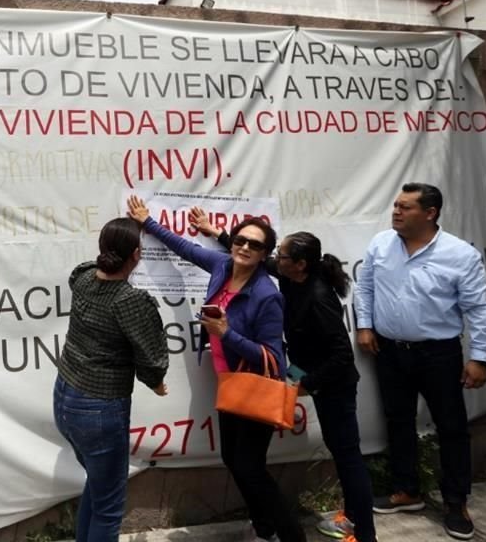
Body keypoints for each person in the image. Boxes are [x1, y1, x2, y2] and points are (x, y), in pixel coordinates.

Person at [127, 195, 307, 542]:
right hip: (229, 382)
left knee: (251, 468)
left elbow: (272, 356)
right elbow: (185, 249)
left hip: (255, 386)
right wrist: (147, 222)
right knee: (233, 459)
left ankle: (290, 535)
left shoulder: (267, 296)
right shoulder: (223, 266)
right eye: (240, 240)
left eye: (254, 245)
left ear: (263, 254)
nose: (244, 247)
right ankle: (263, 528)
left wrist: (227, 333)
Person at [190, 210, 376, 542]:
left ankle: (363, 530)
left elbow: (341, 356)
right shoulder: (290, 277)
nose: (276, 259)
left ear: (300, 264)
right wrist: (215, 232)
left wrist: (305, 382)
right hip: (305, 369)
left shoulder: (319, 299)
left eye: (282, 255)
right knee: (244, 459)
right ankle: (272, 527)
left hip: (334, 383)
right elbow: (255, 254)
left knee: (346, 453)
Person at [354, 183, 486, 541]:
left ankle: (455, 501)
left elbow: (478, 308)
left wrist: (480, 356)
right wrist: (366, 324)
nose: (396, 212)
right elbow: (365, 286)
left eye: (406, 207)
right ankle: (407, 490)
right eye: (396, 205)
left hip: (439, 354)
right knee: (398, 420)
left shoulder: (459, 254)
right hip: (389, 350)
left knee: (451, 427)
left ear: (430, 213)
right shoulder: (381, 244)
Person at [53, 216, 169, 542]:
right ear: (136, 254)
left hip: (65, 397)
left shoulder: (85, 278)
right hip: (99, 410)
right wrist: (155, 381)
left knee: (99, 485)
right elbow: (153, 357)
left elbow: (86, 268)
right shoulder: (129, 300)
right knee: (109, 507)